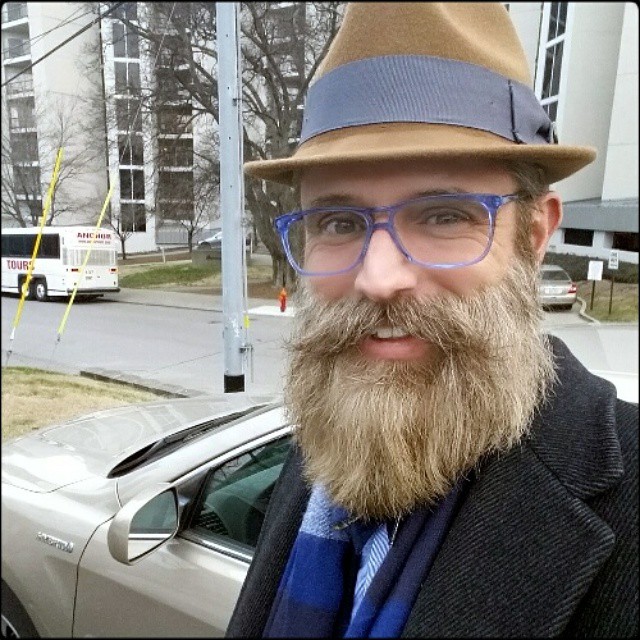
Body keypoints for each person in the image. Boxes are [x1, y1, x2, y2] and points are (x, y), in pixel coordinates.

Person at [227, 3, 638, 637]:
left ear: (534, 235)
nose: (378, 277)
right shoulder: (325, 446)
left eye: (445, 215)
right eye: (338, 222)